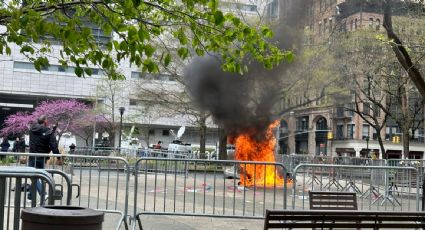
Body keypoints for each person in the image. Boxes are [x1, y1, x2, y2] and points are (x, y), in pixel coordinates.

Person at [28, 115, 60, 202]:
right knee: (36, 176)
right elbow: (53, 144)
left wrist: (52, 131)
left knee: (34, 176)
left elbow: (42, 136)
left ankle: (30, 196)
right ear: (45, 121)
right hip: (41, 157)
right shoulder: (48, 131)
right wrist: (58, 156)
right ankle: (43, 194)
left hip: (32, 156)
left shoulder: (32, 129)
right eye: (47, 120)